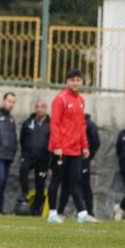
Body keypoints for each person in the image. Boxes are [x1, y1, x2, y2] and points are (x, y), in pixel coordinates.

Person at [46, 69, 99, 224]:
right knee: (56, 180)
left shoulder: (81, 100)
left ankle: (82, 214)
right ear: (67, 81)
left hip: (75, 149)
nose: (75, 83)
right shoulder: (60, 99)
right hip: (61, 148)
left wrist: (85, 145)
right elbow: (55, 124)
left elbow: (81, 125)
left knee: (76, 180)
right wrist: (57, 146)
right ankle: (52, 214)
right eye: (72, 80)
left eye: (78, 80)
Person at [58, 113, 100, 216]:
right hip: (69, 157)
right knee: (66, 185)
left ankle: (89, 212)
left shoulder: (89, 125)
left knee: (84, 185)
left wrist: (87, 156)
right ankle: (60, 211)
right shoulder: (68, 123)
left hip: (81, 159)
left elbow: (95, 142)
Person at [18, 99, 51, 216]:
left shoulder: (50, 124)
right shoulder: (28, 122)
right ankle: (25, 193)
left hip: (43, 158)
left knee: (40, 184)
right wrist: (25, 151)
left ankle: (37, 209)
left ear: (46, 109)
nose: (39, 109)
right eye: (37, 107)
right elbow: (22, 138)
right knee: (23, 170)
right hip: (28, 155)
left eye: (42, 107)